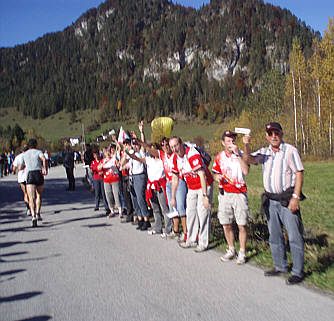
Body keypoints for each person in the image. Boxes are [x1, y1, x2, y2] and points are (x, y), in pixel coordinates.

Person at [243, 122, 305, 285]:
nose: (273, 136)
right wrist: (246, 145)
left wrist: (296, 197)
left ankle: (298, 272)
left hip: (286, 199)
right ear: (266, 136)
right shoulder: (264, 152)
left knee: (294, 235)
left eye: (276, 132)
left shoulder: (290, 151)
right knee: (275, 235)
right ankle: (280, 266)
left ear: (281, 134)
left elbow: (299, 173)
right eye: (270, 133)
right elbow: (248, 159)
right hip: (270, 200)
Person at [169, 136, 213, 252]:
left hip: (204, 184)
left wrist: (204, 196)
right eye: (172, 147)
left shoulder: (192, 153)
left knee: (202, 212)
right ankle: (191, 239)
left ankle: (203, 242)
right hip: (192, 187)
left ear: (181, 144)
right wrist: (173, 197)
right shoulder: (175, 158)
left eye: (176, 145)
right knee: (190, 212)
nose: (175, 149)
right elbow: (175, 178)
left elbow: (202, 174)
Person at [212, 130, 250, 264]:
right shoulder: (219, 157)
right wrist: (218, 177)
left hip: (239, 193)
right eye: (228, 141)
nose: (231, 143)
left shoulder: (241, 155)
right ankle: (231, 249)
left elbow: (246, 170)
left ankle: (242, 252)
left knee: (241, 224)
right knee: (226, 223)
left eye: (233, 140)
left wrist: (238, 155)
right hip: (225, 194)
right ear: (223, 143)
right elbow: (215, 173)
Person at [127, 140, 172, 236]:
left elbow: (147, 148)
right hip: (151, 185)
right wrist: (128, 153)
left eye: (153, 149)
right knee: (155, 208)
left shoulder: (161, 158)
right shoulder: (148, 158)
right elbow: (136, 158)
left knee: (164, 207)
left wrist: (139, 141)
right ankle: (158, 227)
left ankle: (168, 228)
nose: (151, 151)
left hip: (160, 185)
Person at [18, 138, 48, 227]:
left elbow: (21, 166)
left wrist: (21, 168)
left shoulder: (25, 154)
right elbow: (44, 159)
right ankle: (38, 213)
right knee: (39, 195)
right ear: (36, 145)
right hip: (38, 173)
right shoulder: (39, 152)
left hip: (30, 174)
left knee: (31, 198)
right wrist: (45, 169)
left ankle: (33, 215)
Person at [99, 144, 123, 218]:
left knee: (116, 195)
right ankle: (112, 210)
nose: (108, 154)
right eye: (106, 153)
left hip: (115, 179)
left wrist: (118, 164)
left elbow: (118, 165)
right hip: (106, 181)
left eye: (108, 152)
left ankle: (120, 211)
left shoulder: (113, 159)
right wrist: (104, 163)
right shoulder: (103, 161)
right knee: (108, 195)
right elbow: (99, 168)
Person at [90, 148, 110, 215]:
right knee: (97, 192)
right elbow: (92, 170)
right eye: (94, 155)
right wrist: (92, 170)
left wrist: (102, 172)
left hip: (102, 178)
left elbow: (104, 168)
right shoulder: (93, 162)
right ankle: (97, 205)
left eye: (97, 154)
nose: (96, 156)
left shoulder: (101, 161)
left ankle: (106, 206)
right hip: (96, 178)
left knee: (103, 192)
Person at [12, 145, 30, 216]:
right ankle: (32, 207)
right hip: (30, 176)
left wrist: (16, 171)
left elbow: (14, 169)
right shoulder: (30, 156)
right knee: (31, 193)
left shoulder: (18, 157)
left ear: (21, 150)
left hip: (22, 177)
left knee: (25, 193)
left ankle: (28, 208)